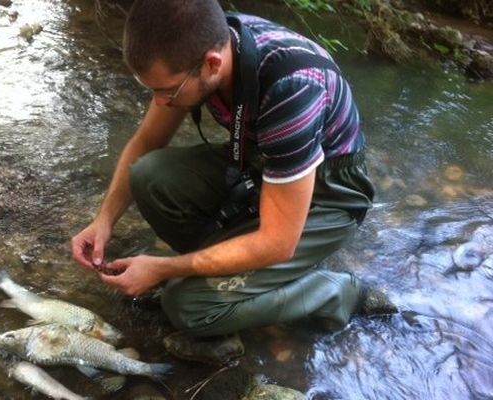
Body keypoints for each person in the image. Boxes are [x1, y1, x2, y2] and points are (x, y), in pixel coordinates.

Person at [72, 0, 396, 363]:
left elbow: (277, 243)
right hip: (262, 163)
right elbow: (146, 142)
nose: (160, 103)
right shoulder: (204, 42)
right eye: (153, 90)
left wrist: (164, 269)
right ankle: (230, 279)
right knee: (150, 175)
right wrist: (104, 219)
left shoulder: (291, 87)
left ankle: (336, 293)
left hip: (329, 193)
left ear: (212, 64)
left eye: (169, 92)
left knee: (187, 307)